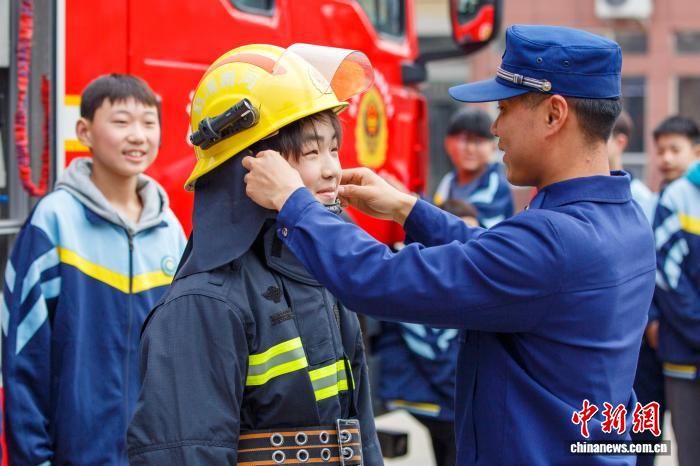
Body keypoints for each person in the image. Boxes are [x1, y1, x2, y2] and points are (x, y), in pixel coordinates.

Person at [243, 25, 656, 465]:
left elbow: (380, 278)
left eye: (504, 109)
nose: (495, 128)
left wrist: (295, 203)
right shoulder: (625, 220)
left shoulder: (553, 241)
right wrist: (408, 209)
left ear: (554, 115)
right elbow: (499, 260)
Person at [127, 44, 382, 466]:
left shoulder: (323, 276)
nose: (332, 169)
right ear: (250, 165)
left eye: (333, 149)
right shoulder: (203, 303)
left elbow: (361, 433)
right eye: (311, 152)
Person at [1, 74, 186, 465]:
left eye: (148, 123)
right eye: (121, 122)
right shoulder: (54, 222)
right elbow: (23, 359)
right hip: (74, 454)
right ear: (84, 131)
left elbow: (184, 357)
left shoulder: (169, 229)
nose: (138, 136)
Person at [650, 118, 700, 466]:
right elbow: (667, 276)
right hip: (685, 354)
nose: (666, 158)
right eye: (661, 150)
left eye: (674, 149)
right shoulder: (676, 197)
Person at [433, 107, 513, 228]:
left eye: (478, 141)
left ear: (493, 146)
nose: (470, 149)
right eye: (464, 140)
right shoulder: (449, 180)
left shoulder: (495, 184)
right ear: (448, 143)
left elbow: (470, 224)